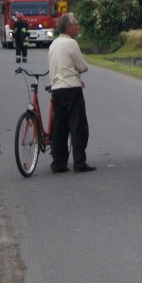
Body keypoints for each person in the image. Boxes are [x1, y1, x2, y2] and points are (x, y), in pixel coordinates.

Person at [48, 13, 94, 173]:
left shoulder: (53, 44)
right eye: (76, 24)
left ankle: (58, 163)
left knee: (59, 128)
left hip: (57, 88)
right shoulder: (71, 43)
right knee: (78, 125)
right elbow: (83, 66)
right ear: (68, 27)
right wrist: (77, 74)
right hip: (71, 88)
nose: (78, 26)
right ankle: (80, 162)